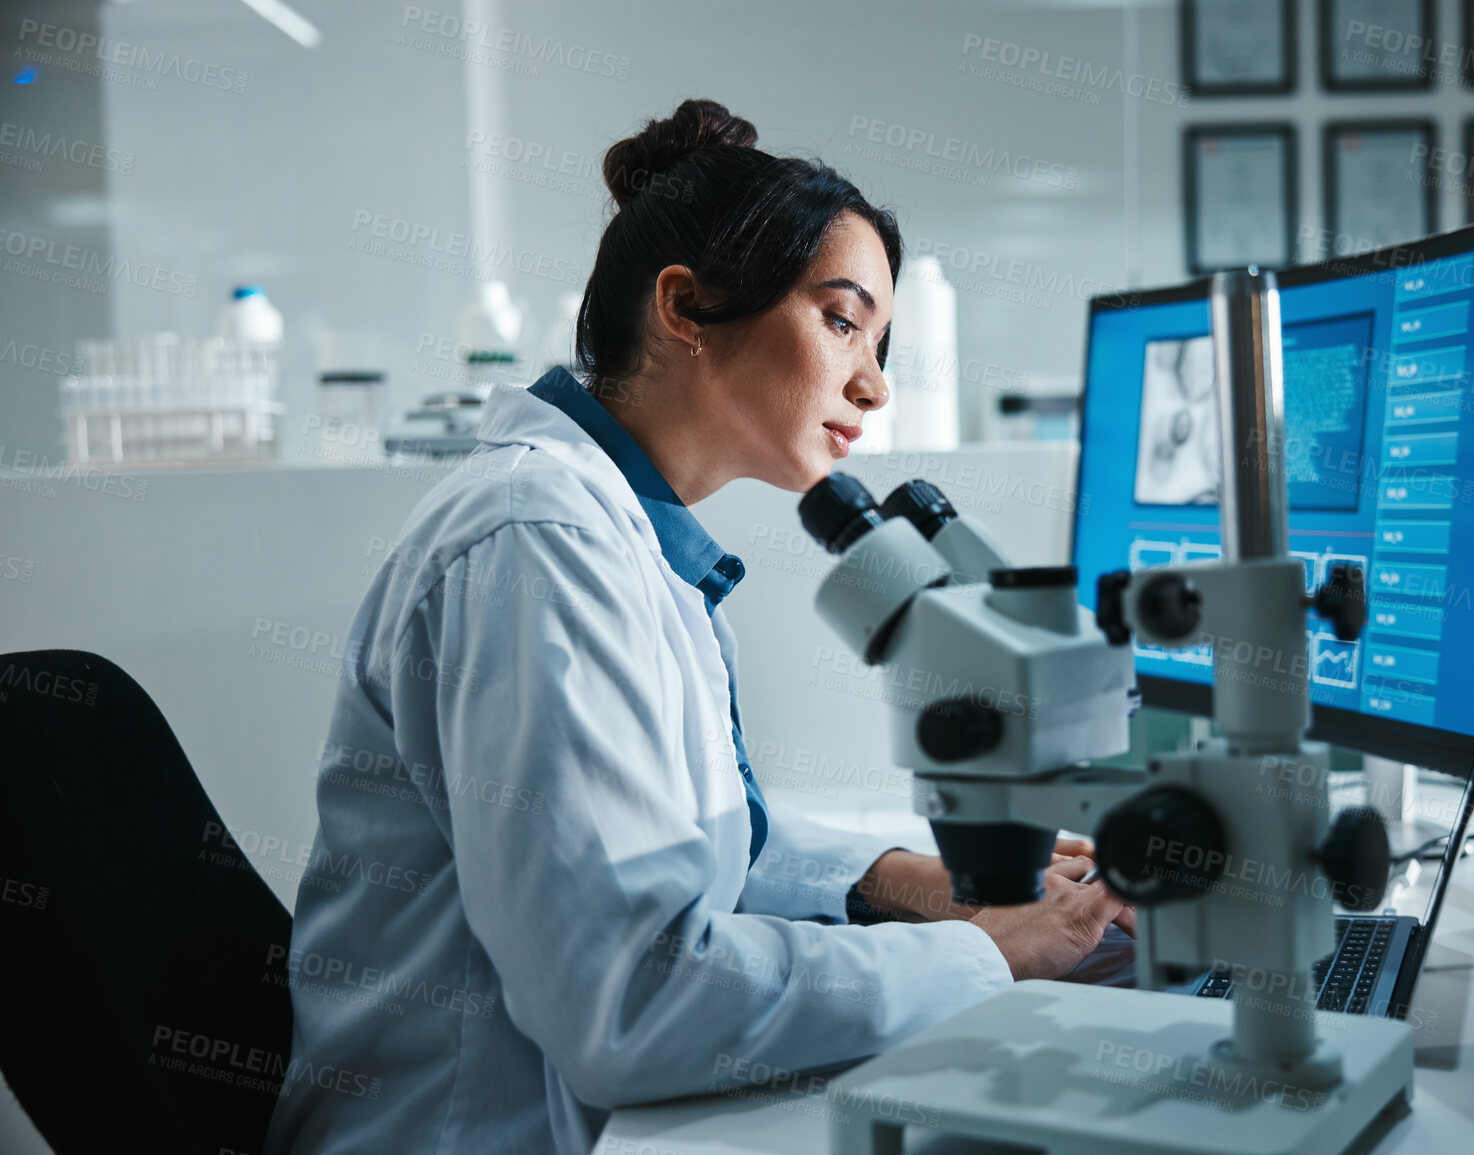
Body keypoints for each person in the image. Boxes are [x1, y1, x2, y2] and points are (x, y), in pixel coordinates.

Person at [263, 98, 1132, 1155]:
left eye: (882, 338)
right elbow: (631, 1001)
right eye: (843, 319)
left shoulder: (620, 532)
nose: (874, 381)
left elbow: (697, 839)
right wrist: (986, 956)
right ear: (685, 307)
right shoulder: (537, 543)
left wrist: (911, 881)